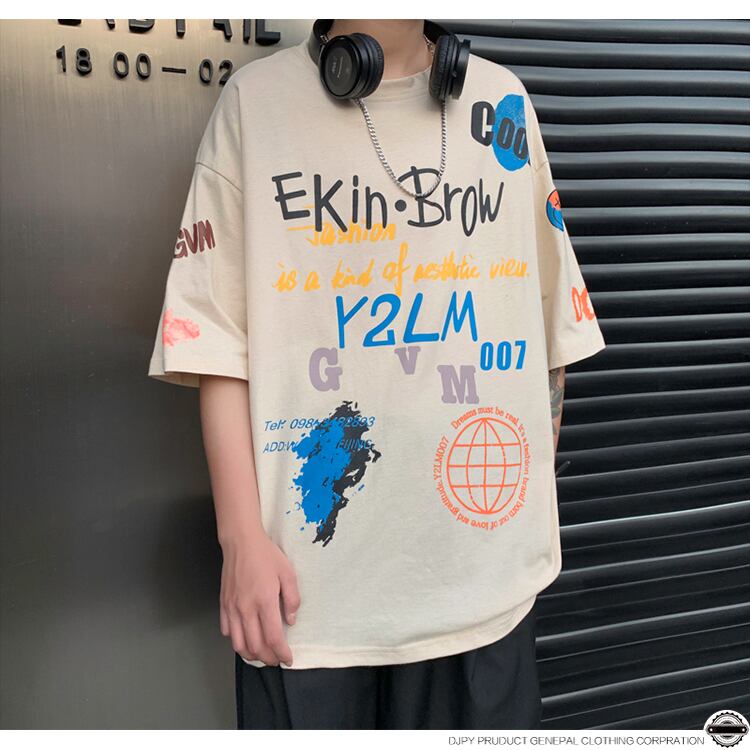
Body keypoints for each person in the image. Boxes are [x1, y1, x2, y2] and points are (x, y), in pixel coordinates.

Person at [147, 18, 606, 730]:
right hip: (308, 602)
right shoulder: (255, 105)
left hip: (480, 592)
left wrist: (523, 503)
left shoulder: (502, 104)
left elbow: (549, 319)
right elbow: (212, 339)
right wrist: (239, 540)